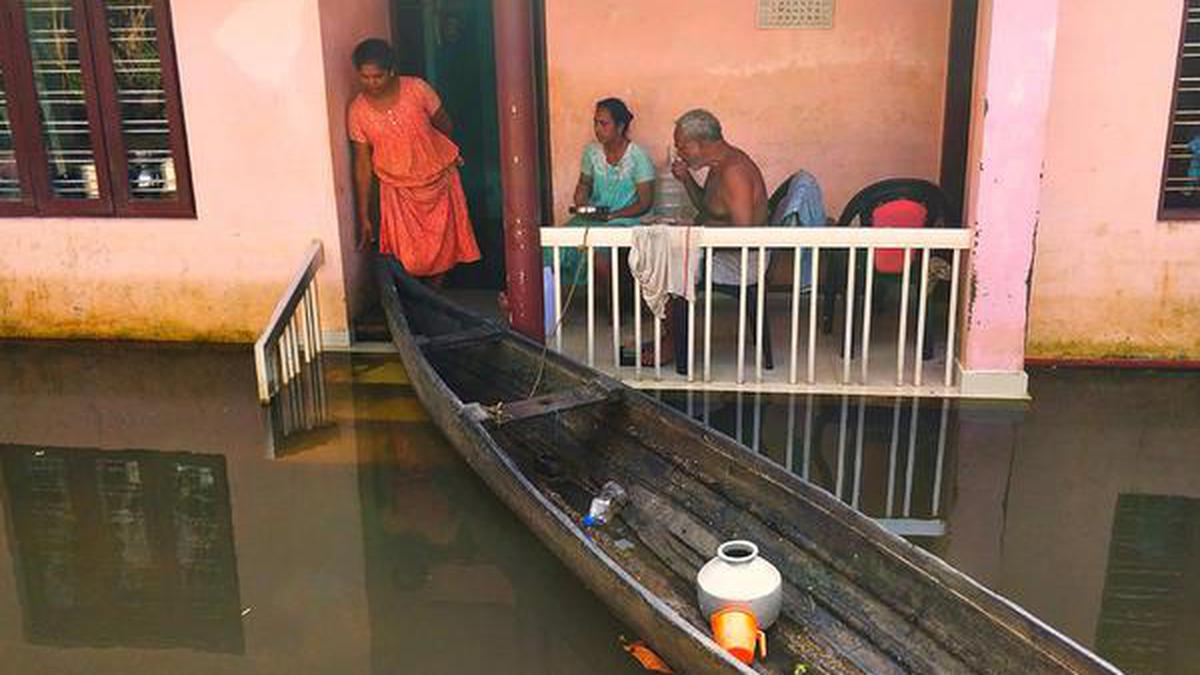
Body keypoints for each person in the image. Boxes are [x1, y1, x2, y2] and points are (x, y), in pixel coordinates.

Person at [348, 38, 480, 283]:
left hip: (438, 182)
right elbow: (362, 164)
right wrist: (363, 214)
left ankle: (433, 299)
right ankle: (417, 303)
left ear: (391, 71)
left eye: (377, 76)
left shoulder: (417, 89)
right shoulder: (357, 111)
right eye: (364, 77)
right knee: (407, 256)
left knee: (443, 249)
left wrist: (430, 155)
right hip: (397, 191)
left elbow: (445, 124)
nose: (371, 83)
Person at [667, 109, 773, 373]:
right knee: (666, 256)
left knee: (670, 270)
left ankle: (674, 349)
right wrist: (686, 180)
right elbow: (708, 207)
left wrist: (696, 236)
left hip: (742, 262)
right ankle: (670, 339)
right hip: (722, 251)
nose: (680, 152)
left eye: (681, 146)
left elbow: (742, 236)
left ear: (698, 144)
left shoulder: (734, 171)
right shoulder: (718, 164)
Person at [550, 98, 654, 313]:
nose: (597, 129)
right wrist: (581, 197)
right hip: (597, 216)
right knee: (556, 245)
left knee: (600, 252)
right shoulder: (592, 152)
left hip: (628, 219)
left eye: (603, 124)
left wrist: (613, 216)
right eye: (595, 123)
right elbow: (585, 183)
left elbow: (645, 203)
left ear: (620, 126)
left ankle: (614, 305)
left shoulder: (638, 156)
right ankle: (554, 308)